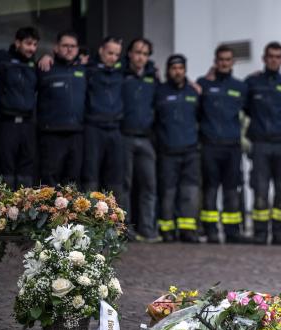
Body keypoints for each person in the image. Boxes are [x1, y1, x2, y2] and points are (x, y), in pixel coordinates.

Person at [245, 42, 281, 245]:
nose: (274, 59)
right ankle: (260, 233)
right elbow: (245, 108)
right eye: (270, 56)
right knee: (260, 189)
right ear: (264, 58)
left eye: (278, 56)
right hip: (260, 143)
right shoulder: (253, 83)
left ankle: (280, 233)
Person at [197, 45, 249, 244]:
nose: (224, 63)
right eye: (221, 59)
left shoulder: (240, 87)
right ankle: (211, 230)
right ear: (215, 61)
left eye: (228, 59)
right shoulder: (204, 85)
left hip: (232, 147)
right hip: (210, 145)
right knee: (210, 188)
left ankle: (232, 231)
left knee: (231, 189)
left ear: (233, 62)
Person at [154, 54, 201, 244]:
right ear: (168, 70)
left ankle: (187, 230)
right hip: (167, 151)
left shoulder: (193, 92)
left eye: (180, 68)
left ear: (185, 70)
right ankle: (167, 230)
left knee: (189, 192)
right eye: (173, 68)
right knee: (168, 192)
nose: (177, 71)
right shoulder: (160, 92)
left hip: (190, 151)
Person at [120, 37, 160, 243]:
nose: (141, 57)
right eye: (137, 52)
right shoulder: (120, 74)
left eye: (145, 54)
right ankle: (125, 229)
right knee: (124, 186)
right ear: (129, 54)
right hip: (125, 136)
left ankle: (147, 229)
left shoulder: (152, 78)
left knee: (149, 186)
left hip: (146, 139)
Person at [36, 30, 86, 187]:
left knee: (72, 182)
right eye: (65, 45)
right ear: (56, 48)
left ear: (78, 49)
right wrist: (44, 57)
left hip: (76, 134)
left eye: (73, 46)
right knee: (49, 182)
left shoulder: (85, 70)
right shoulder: (45, 68)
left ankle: (71, 213)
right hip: (51, 135)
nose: (69, 49)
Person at [0, 27, 39, 190]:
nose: (32, 48)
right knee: (5, 167)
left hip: (27, 123)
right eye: (28, 44)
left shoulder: (35, 64)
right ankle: (5, 210)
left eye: (34, 44)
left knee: (26, 168)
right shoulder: (1, 59)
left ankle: (24, 210)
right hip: (7, 122)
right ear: (17, 42)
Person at [81, 36, 125, 197]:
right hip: (93, 128)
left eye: (116, 54)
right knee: (91, 175)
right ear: (101, 50)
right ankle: (89, 217)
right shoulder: (88, 70)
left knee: (115, 177)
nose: (113, 57)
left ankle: (114, 219)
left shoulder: (121, 71)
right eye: (109, 53)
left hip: (115, 129)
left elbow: (143, 64)